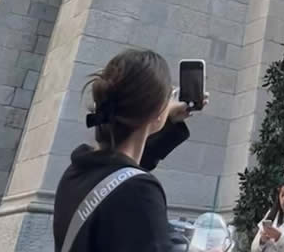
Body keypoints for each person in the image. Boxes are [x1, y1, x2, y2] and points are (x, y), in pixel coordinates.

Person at [52, 49, 196, 252]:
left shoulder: (77, 172)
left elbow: (118, 173)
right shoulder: (139, 191)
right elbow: (125, 179)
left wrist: (167, 119)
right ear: (157, 111)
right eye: (169, 95)